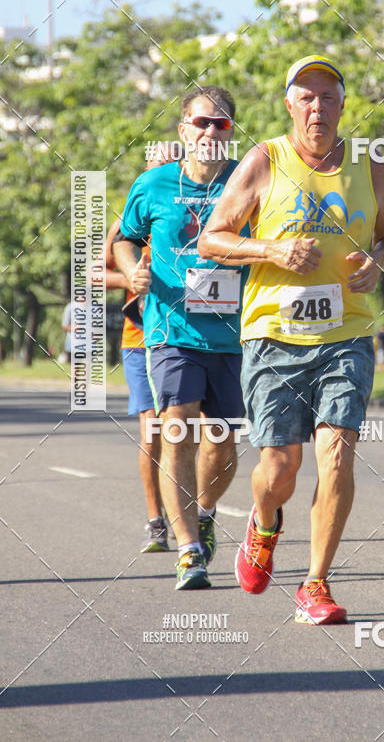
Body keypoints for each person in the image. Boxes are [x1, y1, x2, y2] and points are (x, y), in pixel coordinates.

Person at [198, 55, 384, 624]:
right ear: (289, 103)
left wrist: (379, 262)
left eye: (328, 96)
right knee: (280, 466)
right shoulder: (265, 161)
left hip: (349, 331)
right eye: (306, 97)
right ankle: (263, 523)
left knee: (337, 454)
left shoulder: (371, 164)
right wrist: (271, 249)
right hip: (274, 335)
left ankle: (315, 583)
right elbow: (213, 240)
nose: (317, 107)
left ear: (342, 104)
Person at [113, 86, 248, 590]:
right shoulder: (152, 184)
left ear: (231, 132)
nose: (210, 131)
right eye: (201, 122)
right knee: (177, 425)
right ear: (182, 129)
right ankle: (189, 551)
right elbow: (125, 239)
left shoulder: (248, 180)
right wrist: (132, 272)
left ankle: (206, 511)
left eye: (221, 124)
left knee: (223, 441)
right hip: (171, 329)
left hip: (234, 334)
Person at [104, 150, 177, 554]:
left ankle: (196, 513)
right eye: (159, 166)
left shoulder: (196, 208)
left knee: (190, 432)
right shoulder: (130, 217)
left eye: (173, 164)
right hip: (140, 338)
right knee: (152, 431)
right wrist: (132, 276)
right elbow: (96, 274)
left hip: (187, 334)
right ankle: (156, 521)